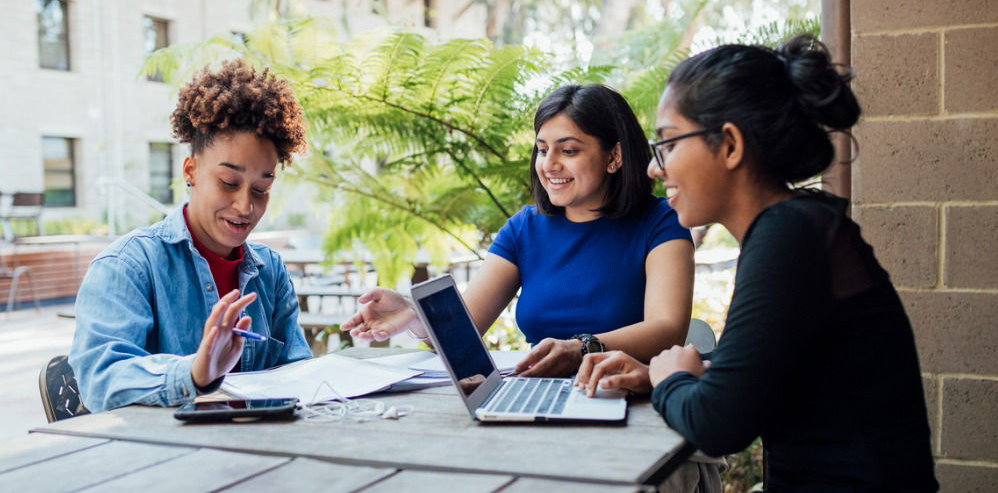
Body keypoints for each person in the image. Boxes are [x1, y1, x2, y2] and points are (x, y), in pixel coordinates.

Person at [576, 35, 939, 491]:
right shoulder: (795, 227)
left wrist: (669, 379)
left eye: (666, 144)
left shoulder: (789, 236)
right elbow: (758, 376)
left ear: (729, 145)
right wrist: (654, 374)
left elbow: (719, 425)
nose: (654, 167)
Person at [342, 83, 695, 377]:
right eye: (542, 150)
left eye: (568, 150)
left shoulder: (661, 223)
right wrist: (412, 313)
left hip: (627, 396)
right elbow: (463, 331)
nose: (549, 164)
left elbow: (667, 330)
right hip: (540, 394)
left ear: (614, 156)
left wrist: (581, 348)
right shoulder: (524, 228)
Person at [69, 60, 312, 412]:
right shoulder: (128, 266)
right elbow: (101, 378)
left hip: (263, 453)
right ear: (191, 171)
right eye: (228, 183)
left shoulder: (270, 271)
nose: (245, 206)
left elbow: (296, 373)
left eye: (261, 188)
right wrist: (193, 374)